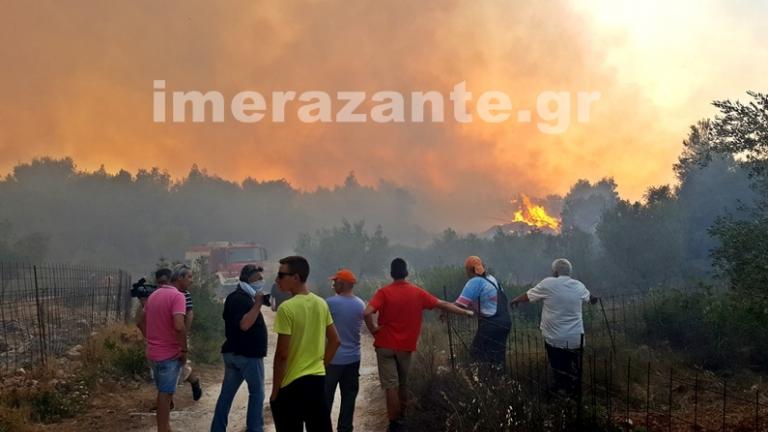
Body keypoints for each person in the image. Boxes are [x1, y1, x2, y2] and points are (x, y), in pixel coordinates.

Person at [364, 258, 474, 432]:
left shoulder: (383, 292)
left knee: (390, 386)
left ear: (392, 274)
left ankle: (394, 424)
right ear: (406, 273)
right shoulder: (417, 293)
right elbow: (443, 304)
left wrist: (374, 330)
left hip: (385, 344)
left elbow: (367, 312)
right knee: (403, 384)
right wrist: (466, 312)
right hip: (406, 347)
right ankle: (403, 419)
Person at [270, 256, 341, 432]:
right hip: (316, 382)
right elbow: (335, 340)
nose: (277, 279)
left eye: (281, 275)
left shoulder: (286, 309)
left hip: (292, 385)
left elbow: (282, 355)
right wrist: (321, 364)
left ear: (295, 277)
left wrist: (275, 391)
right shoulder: (321, 303)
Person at [510, 258, 598, 396]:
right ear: (569, 272)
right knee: (573, 368)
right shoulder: (578, 285)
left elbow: (528, 296)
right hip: (576, 339)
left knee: (559, 368)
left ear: (555, 272)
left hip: (555, 338)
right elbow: (591, 298)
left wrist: (515, 300)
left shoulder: (548, 283)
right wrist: (594, 299)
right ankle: (574, 392)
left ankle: (561, 392)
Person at [211, 264, 269, 432]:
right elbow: (244, 324)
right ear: (247, 279)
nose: (261, 281)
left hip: (235, 354)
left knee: (226, 396)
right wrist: (257, 304)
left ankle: (217, 428)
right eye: (258, 278)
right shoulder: (240, 298)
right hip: (247, 355)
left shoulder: (243, 297)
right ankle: (255, 428)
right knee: (257, 394)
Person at [324, 269, 377, 432]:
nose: (333, 285)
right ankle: (345, 429)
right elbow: (373, 329)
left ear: (342, 283)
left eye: (335, 281)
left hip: (332, 360)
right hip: (353, 360)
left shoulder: (329, 303)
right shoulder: (360, 304)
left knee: (325, 399)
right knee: (348, 399)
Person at [140, 264, 191, 432]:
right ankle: (163, 428)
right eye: (189, 277)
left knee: (165, 392)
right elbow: (179, 326)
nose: (191, 281)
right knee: (165, 394)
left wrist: (153, 338)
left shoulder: (154, 295)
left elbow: (140, 322)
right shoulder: (178, 297)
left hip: (153, 353)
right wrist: (183, 349)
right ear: (180, 278)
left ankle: (165, 427)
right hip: (169, 354)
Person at [454, 256, 511, 371]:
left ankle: (480, 381)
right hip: (505, 322)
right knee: (497, 356)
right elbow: (490, 301)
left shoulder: (475, 281)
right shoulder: (492, 280)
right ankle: (500, 381)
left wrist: (444, 311)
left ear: (470, 270)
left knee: (477, 354)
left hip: (491, 323)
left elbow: (460, 304)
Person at [178, 275, 202, 401]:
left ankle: (194, 380)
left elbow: (189, 314)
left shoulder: (184, 294)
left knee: (180, 364)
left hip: (179, 334)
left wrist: (185, 333)